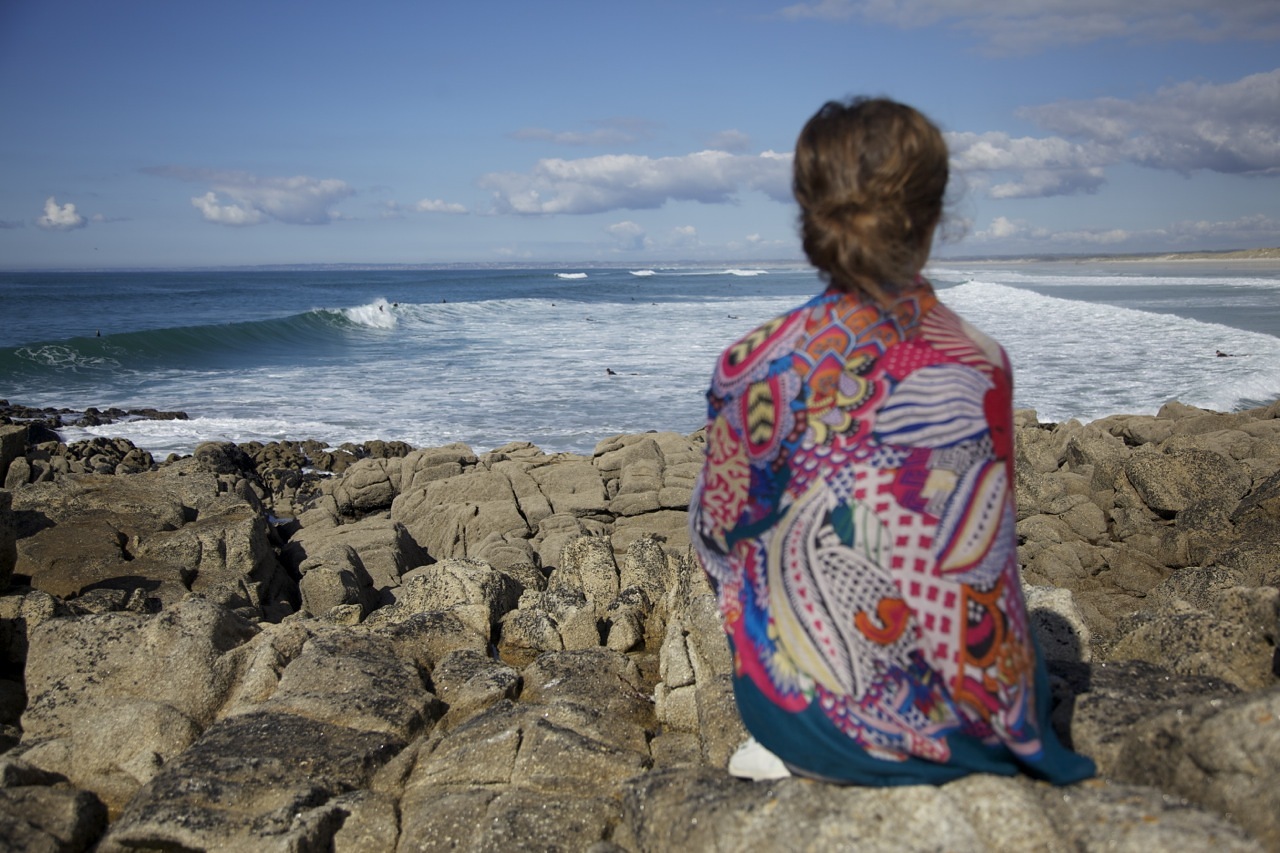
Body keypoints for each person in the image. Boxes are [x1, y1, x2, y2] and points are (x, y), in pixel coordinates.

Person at [688, 97, 1096, 786]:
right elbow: (985, 545)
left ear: (808, 214)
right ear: (934, 217)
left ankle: (801, 738)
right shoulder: (981, 359)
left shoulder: (749, 362)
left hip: (812, 720)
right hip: (984, 723)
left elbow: (717, 538)